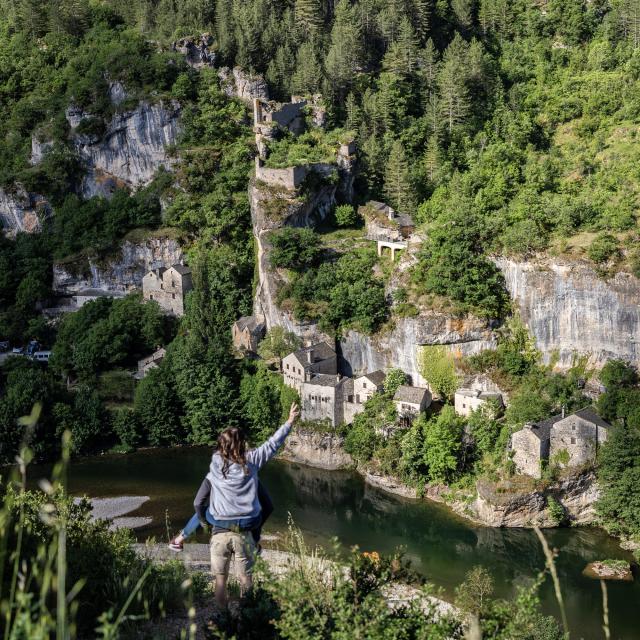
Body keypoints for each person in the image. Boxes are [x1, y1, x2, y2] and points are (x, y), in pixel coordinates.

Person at [203, 402, 299, 608]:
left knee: (220, 580)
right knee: (246, 579)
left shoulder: (215, 462)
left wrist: (203, 521)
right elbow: (272, 444)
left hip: (219, 532)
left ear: (221, 446)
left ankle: (223, 619)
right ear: (242, 444)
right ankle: (248, 618)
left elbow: (201, 499)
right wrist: (289, 422)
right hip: (244, 532)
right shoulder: (252, 461)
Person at [168, 480, 273, 551]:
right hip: (246, 524)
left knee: (203, 509)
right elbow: (268, 507)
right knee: (257, 510)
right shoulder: (252, 476)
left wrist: (204, 524)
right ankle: (254, 544)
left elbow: (197, 503)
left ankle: (178, 540)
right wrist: (255, 532)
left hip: (221, 521)